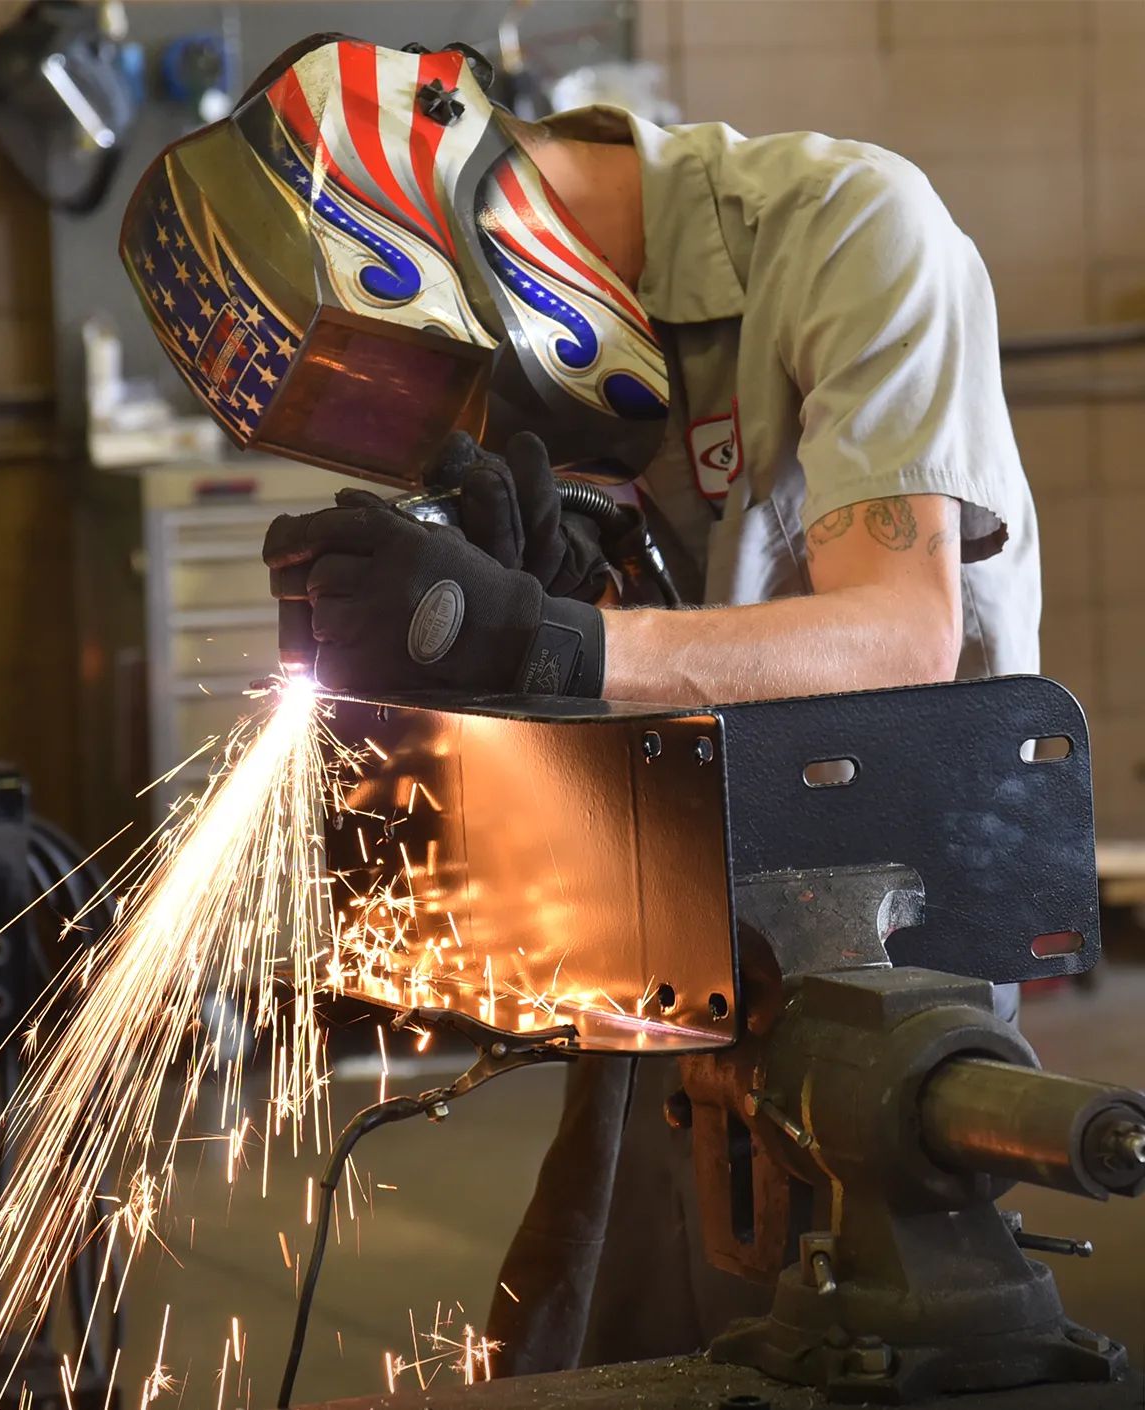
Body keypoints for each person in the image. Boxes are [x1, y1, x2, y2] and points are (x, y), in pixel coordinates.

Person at [119, 31, 1038, 1378]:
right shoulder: (528, 379)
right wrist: (470, 658)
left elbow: (901, 638)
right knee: (586, 1345)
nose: (465, 420)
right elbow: (607, 657)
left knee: (854, 1353)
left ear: (460, 232)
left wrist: (555, 640)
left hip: (882, 939)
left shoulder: (853, 231)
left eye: (450, 383)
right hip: (665, 932)